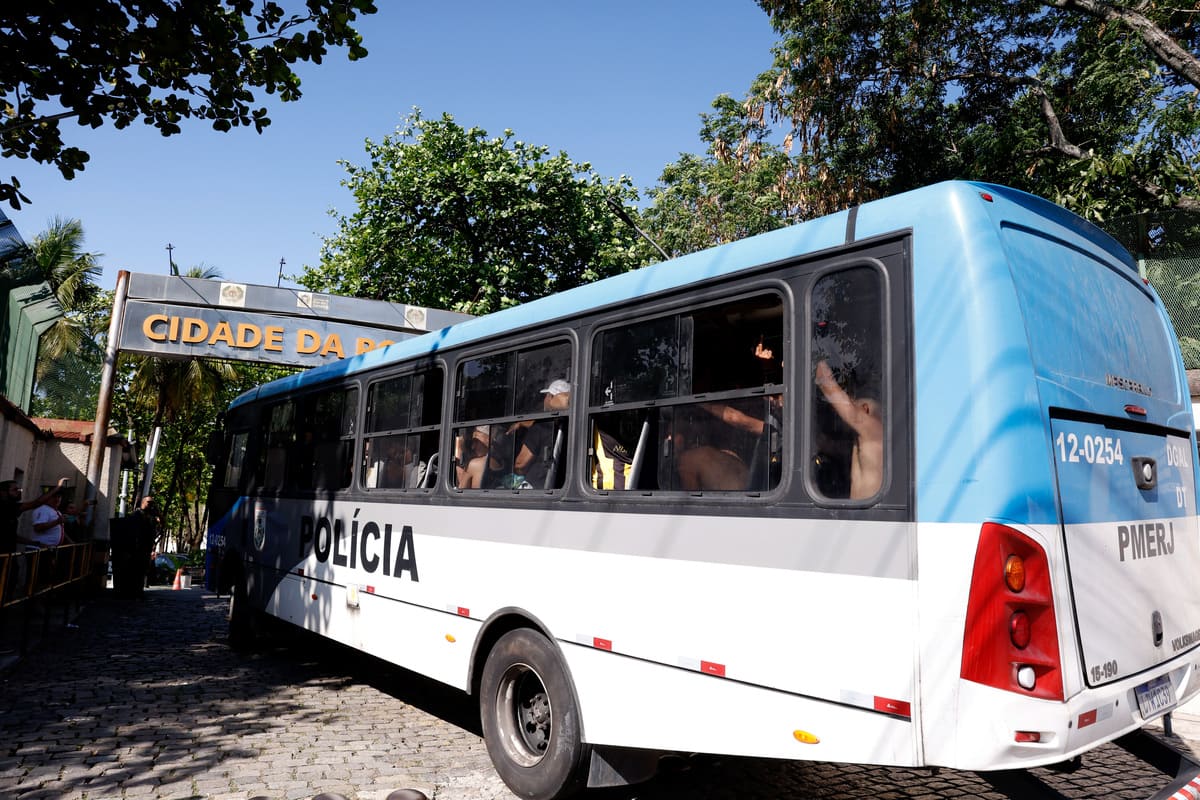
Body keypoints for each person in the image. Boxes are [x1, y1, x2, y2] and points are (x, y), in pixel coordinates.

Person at [814, 359, 883, 500]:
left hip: (868, 518)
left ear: (865, 409)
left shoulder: (874, 429)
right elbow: (831, 447)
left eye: (854, 403)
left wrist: (817, 360)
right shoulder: (865, 440)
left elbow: (847, 410)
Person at [511, 379, 571, 489]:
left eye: (547, 395)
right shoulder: (570, 425)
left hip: (535, 486)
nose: (544, 400)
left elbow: (520, 465)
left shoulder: (542, 426)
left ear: (552, 398)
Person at [1, 478, 69, 553]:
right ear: (3, 492)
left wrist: (37, 543)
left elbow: (11, 536)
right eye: (15, 490)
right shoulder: (6, 507)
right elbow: (36, 503)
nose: (19, 492)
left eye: (20, 489)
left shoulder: (11, 507)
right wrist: (58, 487)